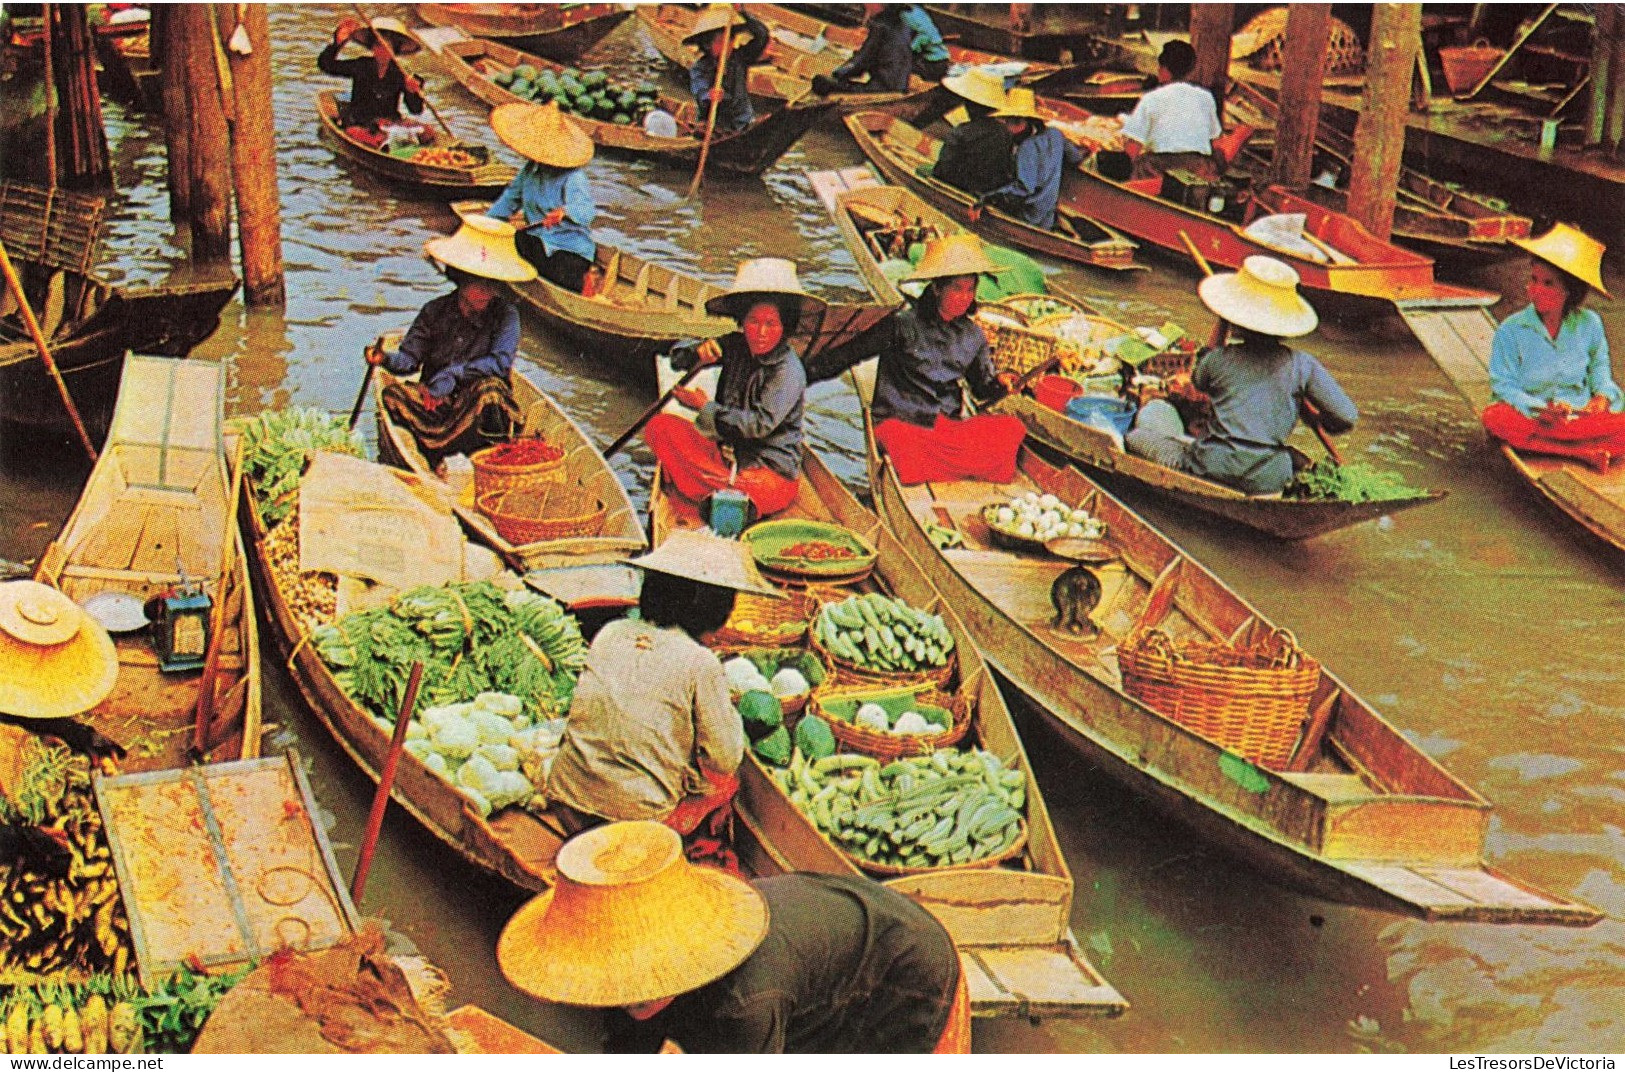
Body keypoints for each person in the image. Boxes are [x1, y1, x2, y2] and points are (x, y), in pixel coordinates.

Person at [496, 820, 969, 1053]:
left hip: (896, 969)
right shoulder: (628, 983)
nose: (625, 995)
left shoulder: (743, 1004)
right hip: (819, 942)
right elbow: (626, 1045)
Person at [545, 530, 781, 856]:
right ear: (714, 610)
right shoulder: (701, 662)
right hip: (637, 819)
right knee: (727, 784)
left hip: (566, 797)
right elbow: (725, 758)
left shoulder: (611, 632)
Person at [1124, 255, 1357, 495]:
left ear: (1237, 320)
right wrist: (1319, 420)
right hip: (1267, 478)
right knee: (1287, 458)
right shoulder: (1303, 365)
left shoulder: (1219, 359)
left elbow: (1198, 380)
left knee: (1137, 436)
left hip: (1209, 467)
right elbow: (1346, 416)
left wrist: (1223, 321)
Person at [807, 234, 1027, 485]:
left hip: (945, 427)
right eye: (956, 289)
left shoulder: (973, 335)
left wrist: (1001, 381)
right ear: (937, 288)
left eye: (970, 290)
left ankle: (942, 468)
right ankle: (952, 468)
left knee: (1012, 429)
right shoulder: (901, 324)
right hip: (903, 423)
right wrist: (806, 373)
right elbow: (850, 354)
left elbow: (981, 387)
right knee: (904, 445)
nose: (964, 297)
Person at [643, 258, 824, 520]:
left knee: (756, 489)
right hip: (725, 457)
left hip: (768, 471)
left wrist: (704, 408)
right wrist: (697, 352)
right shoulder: (735, 345)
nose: (761, 332)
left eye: (771, 324)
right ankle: (717, 488)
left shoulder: (788, 370)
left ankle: (713, 489)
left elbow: (758, 425)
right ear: (742, 320)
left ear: (784, 326)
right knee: (660, 427)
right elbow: (676, 359)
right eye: (753, 321)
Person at [370, 216, 534, 464]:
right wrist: (383, 359)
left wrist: (456, 373)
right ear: (461, 279)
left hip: (477, 411)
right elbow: (408, 361)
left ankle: (492, 462)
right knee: (393, 395)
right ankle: (429, 456)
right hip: (436, 403)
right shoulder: (434, 311)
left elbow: (500, 363)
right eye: (479, 284)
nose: (487, 292)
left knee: (490, 390)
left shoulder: (506, 315)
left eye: (492, 285)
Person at [1482, 223, 1625, 471]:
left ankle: (1566, 446)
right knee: (1496, 418)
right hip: (1536, 418)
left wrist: (1600, 400)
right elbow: (1504, 387)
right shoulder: (1511, 329)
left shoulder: (1590, 324)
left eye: (1548, 284)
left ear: (1569, 291)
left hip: (1578, 418)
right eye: (1533, 280)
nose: (1535, 290)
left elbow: (1601, 376)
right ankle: (1582, 453)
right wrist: (1542, 409)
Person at [484, 101, 598, 293]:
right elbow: (509, 200)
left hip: (567, 247)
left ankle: (587, 279)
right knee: (508, 244)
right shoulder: (530, 170)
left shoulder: (573, 177)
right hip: (536, 239)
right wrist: (486, 225)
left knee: (561, 274)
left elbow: (586, 211)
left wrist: (564, 212)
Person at [1118, 39, 1223, 182]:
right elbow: (1216, 142)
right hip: (1199, 167)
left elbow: (1133, 148)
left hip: (1159, 166)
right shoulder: (1205, 97)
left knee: (1139, 166)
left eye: (1160, 67)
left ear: (1165, 69)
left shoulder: (1151, 99)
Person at [982, 88, 1084, 231]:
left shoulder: (1026, 148)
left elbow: (1024, 188)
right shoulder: (1055, 134)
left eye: (1009, 122)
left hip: (1030, 214)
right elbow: (1075, 158)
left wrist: (990, 197)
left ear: (1021, 121)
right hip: (1048, 211)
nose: (1006, 126)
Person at [316, 15, 425, 136]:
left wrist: (412, 92)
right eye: (378, 45)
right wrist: (337, 44)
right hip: (360, 123)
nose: (382, 50)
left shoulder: (402, 74)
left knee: (425, 132)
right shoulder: (362, 65)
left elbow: (416, 110)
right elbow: (327, 65)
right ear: (372, 47)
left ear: (394, 50)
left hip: (389, 125)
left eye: (387, 46)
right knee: (359, 134)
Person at [929, 67, 1014, 198]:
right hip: (988, 188)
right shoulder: (1004, 132)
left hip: (962, 187)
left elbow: (943, 170)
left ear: (969, 105)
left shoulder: (960, 133)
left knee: (923, 170)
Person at [685, 4, 771, 133]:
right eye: (720, 41)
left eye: (729, 40)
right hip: (714, 125)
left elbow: (762, 35)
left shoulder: (740, 58)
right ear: (707, 45)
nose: (727, 46)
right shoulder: (700, 68)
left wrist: (743, 13)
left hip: (743, 122)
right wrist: (710, 95)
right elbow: (700, 91)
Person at [810, 4, 912, 96]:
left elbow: (860, 63)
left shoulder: (881, 26)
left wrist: (836, 74)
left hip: (881, 91)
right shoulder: (903, 24)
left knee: (821, 82)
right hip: (899, 87)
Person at [900, 4, 950, 82]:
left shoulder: (922, 34)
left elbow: (909, 51)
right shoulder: (918, 11)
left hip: (934, 64)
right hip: (939, 60)